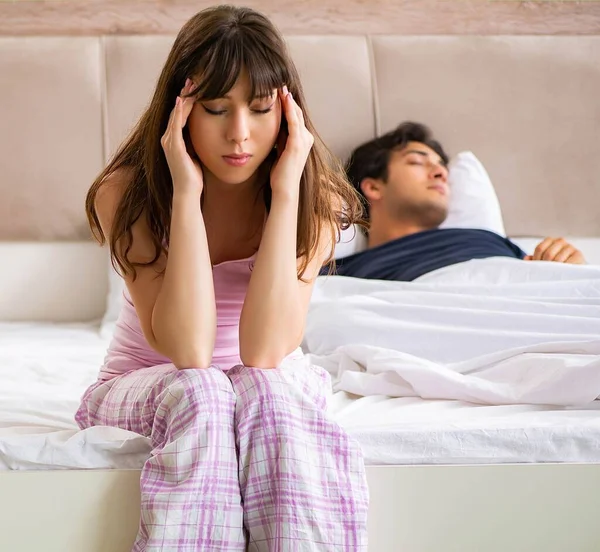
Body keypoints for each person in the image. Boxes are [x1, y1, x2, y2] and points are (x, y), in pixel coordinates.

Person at [75, 6, 368, 551]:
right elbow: (188, 351)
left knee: (266, 390)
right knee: (205, 390)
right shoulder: (128, 194)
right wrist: (185, 195)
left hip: (269, 380)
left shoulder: (315, 199)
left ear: (288, 114)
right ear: (180, 112)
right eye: (215, 109)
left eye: (260, 110)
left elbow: (263, 353)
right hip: (149, 383)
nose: (240, 135)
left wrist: (285, 196)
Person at [333, 121, 586, 281]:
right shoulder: (341, 274)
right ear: (374, 186)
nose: (441, 172)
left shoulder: (487, 241)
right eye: (417, 161)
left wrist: (571, 269)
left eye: (442, 166)